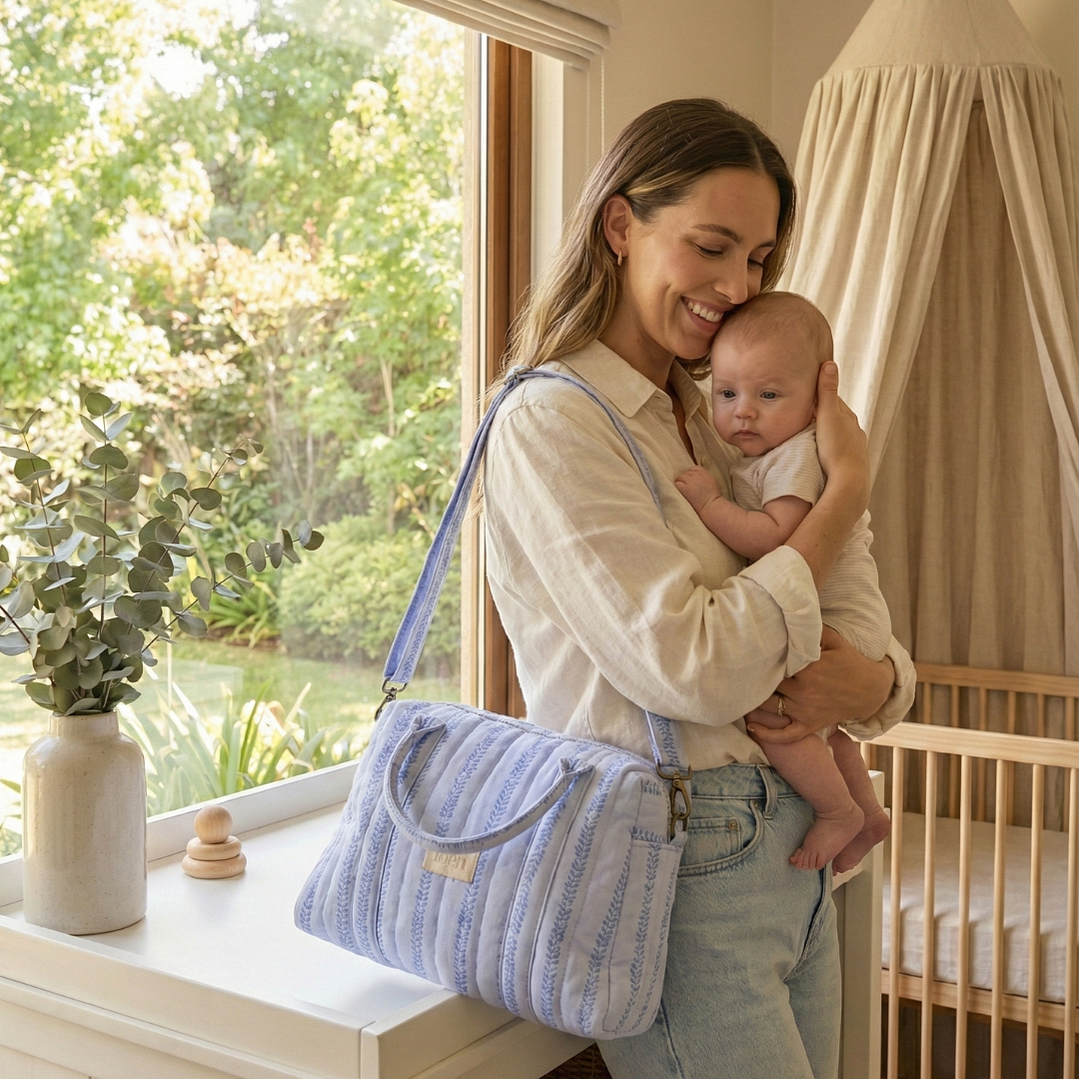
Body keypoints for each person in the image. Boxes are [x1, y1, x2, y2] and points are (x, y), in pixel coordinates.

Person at [482, 98, 916, 1079]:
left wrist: (878, 681)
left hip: (786, 843)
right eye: (711, 246)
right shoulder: (554, 420)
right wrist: (843, 493)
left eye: (757, 259)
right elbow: (692, 665)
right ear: (619, 223)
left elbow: (842, 613)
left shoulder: (716, 410)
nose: (737, 286)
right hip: (681, 856)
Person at [674, 291, 892, 874]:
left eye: (768, 395)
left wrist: (710, 504)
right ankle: (868, 813)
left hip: (841, 620)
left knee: (774, 721)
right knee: (819, 725)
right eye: (727, 394)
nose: (743, 412)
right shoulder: (770, 452)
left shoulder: (795, 456)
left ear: (818, 401)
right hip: (850, 621)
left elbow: (778, 542)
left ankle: (837, 811)